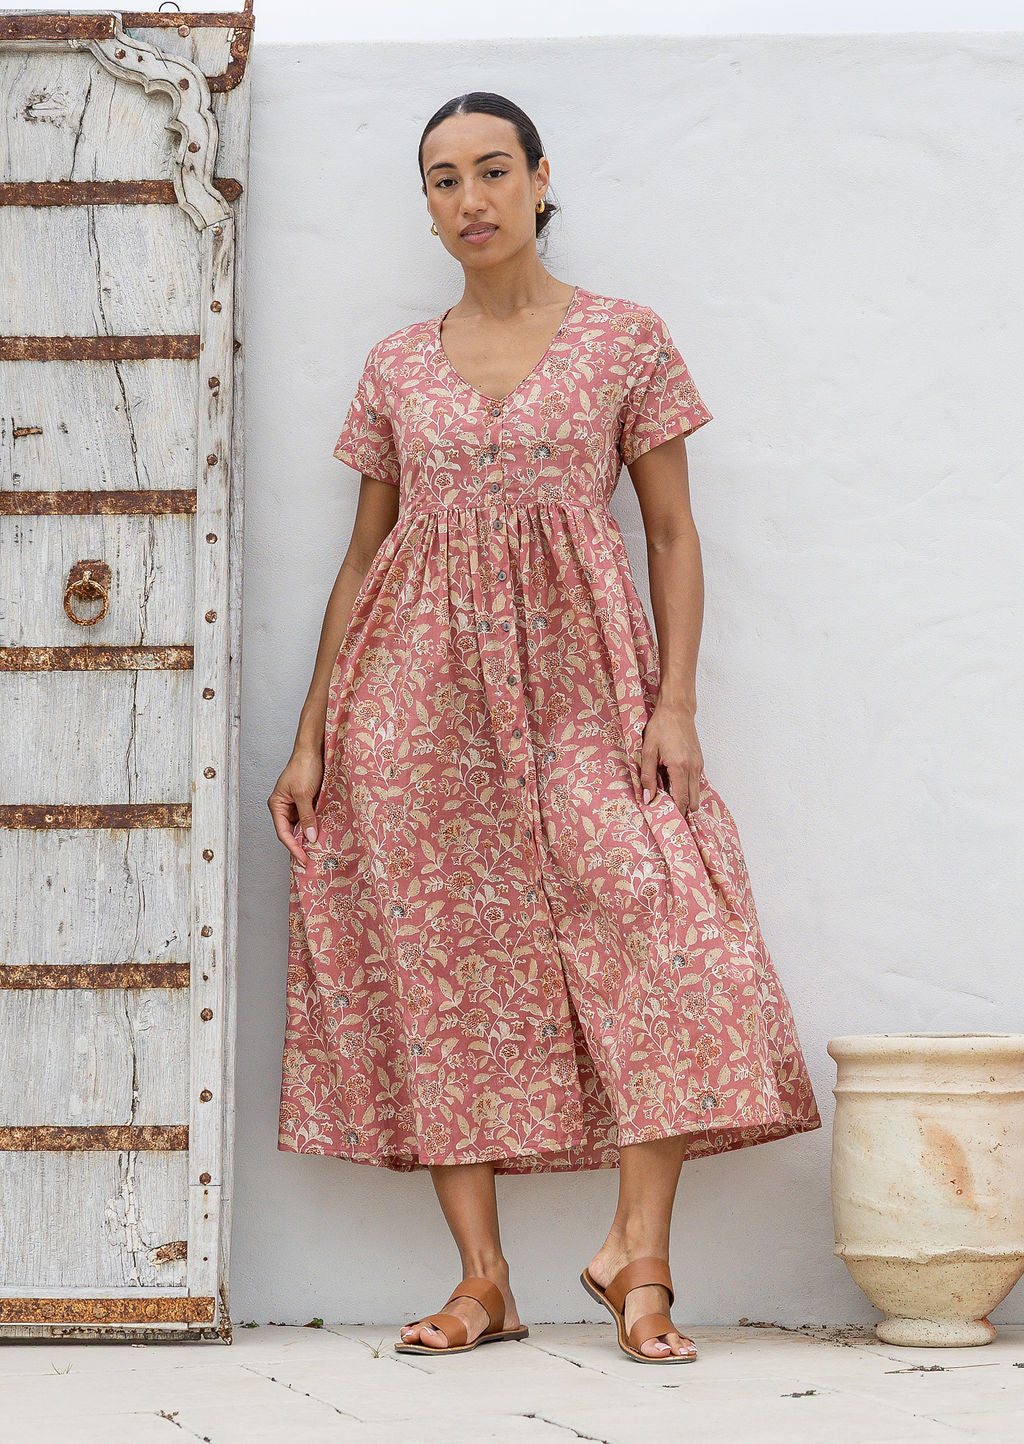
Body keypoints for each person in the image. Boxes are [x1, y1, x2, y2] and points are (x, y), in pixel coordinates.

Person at [269, 90, 821, 1365]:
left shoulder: (625, 339)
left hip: (589, 689)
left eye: (492, 171)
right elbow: (362, 561)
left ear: (538, 178)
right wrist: (313, 739)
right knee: (442, 964)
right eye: (443, 180)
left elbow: (674, 534)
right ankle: (482, 1280)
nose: (469, 200)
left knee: (668, 928)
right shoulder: (397, 364)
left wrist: (673, 702)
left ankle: (640, 1250)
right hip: (412, 697)